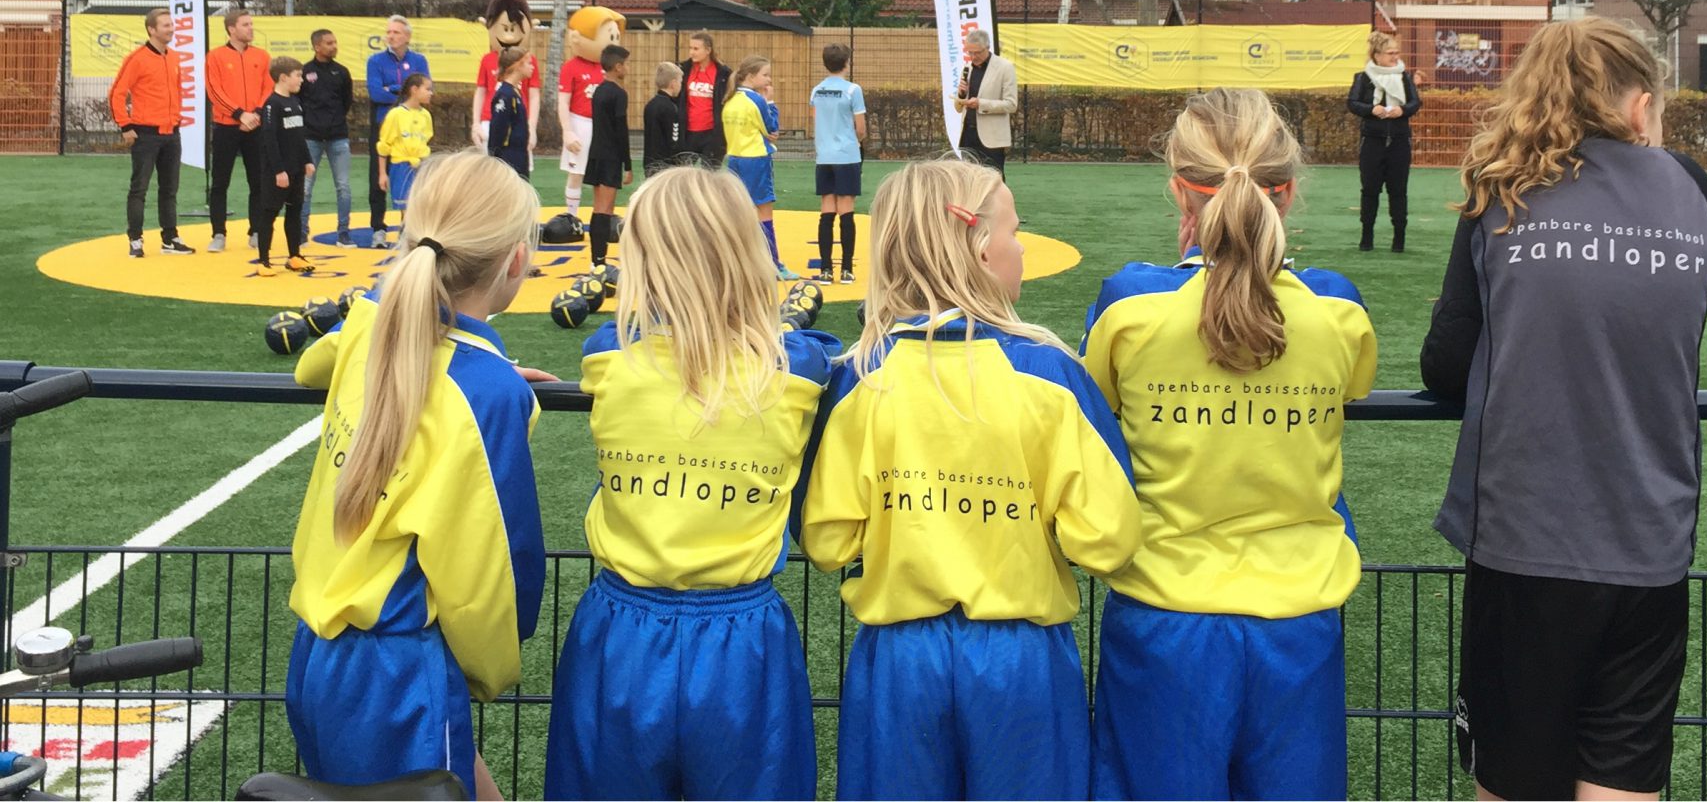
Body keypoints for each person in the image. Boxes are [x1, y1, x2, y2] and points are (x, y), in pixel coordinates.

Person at [1420, 17, 1707, 802]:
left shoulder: (1502, 185)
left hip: (1527, 537)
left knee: (1515, 786)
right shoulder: (1693, 188)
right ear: (1641, 106)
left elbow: (1446, 363)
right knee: (1622, 783)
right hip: (1651, 537)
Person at [801, 158, 1141, 800]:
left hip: (897, 661)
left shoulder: (861, 374)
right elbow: (1110, 541)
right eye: (1017, 230)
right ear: (983, 249)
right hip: (1022, 663)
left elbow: (826, 542)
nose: (1020, 244)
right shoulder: (1051, 374)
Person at [1081, 87, 1377, 800]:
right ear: (1289, 192)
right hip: (1298, 621)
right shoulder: (1337, 308)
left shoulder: (1129, 305)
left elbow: (1098, 407)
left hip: (1164, 617)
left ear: (1180, 192)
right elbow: (1353, 387)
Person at [543, 166, 839, 800]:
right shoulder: (800, 367)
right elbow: (814, 349)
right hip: (744, 639)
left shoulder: (609, 355)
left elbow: (625, 337)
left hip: (619, 629)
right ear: (745, 253)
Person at [287, 151, 544, 800]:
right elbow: (493, 578)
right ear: (515, 261)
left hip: (316, 652)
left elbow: (309, 368)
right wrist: (492, 671)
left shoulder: (375, 324)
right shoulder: (485, 394)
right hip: (399, 671)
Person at [109, 7, 195, 258]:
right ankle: (135, 239)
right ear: (152, 30)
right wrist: (125, 125)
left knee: (169, 189)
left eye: (172, 24)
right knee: (139, 188)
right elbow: (117, 93)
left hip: (172, 134)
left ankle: (170, 238)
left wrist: (177, 117)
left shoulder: (175, 57)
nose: (171, 29)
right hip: (145, 135)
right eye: (166, 25)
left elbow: (177, 92)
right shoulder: (137, 58)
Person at [1347, 31, 1421, 252]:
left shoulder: (1404, 77)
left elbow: (1416, 103)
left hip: (1399, 142)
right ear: (1376, 55)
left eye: (1397, 52)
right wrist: (1372, 109)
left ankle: (1399, 239)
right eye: (1390, 53)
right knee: (1370, 190)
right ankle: (1366, 237)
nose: (1395, 57)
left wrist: (1402, 110)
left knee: (1398, 191)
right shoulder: (1363, 78)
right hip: (1372, 141)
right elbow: (1352, 103)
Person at [722, 55, 795, 280]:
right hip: (756, 160)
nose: (769, 79)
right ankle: (773, 264)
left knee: (738, 213)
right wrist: (771, 103)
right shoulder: (757, 100)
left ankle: (736, 262)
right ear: (752, 76)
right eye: (765, 74)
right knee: (764, 212)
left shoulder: (731, 99)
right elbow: (772, 128)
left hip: (734, 159)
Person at [206, 8, 271, 253]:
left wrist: (254, 113)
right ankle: (219, 233)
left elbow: (268, 88)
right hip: (226, 126)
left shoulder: (262, 56)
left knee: (258, 181)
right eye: (246, 24)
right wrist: (238, 114)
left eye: (251, 24)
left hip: (255, 126)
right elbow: (214, 90)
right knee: (220, 182)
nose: (251, 28)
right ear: (232, 29)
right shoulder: (215, 56)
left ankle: (256, 231)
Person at [365, 15, 429, 249]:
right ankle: (378, 228)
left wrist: (390, 89)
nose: (391, 36)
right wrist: (403, 94)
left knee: (413, 181)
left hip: (412, 132)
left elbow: (423, 90)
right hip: (385, 127)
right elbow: (375, 92)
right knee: (378, 178)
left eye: (396, 32)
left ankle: (409, 229)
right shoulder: (375, 61)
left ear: (407, 36)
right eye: (388, 32)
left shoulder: (419, 60)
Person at [557, 6, 624, 219]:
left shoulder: (609, 69)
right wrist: (567, 131)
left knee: (602, 174)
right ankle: (571, 217)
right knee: (576, 173)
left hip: (602, 128)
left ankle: (602, 215)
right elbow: (563, 102)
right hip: (580, 123)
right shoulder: (571, 67)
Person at [810, 43, 867, 284]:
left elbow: (815, 119)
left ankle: (824, 270)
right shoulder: (853, 90)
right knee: (846, 211)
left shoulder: (816, 91)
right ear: (847, 63)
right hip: (847, 155)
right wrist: (855, 140)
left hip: (824, 156)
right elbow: (861, 127)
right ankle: (846, 269)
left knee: (827, 210)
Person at [252, 56, 314, 278]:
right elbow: (270, 140)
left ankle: (294, 255)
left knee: (295, 211)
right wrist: (279, 170)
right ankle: (263, 260)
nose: (302, 80)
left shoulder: (295, 102)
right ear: (283, 77)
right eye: (298, 76)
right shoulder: (272, 104)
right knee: (269, 213)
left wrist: (307, 160)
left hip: (296, 168)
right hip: (278, 171)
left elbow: (299, 136)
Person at [299, 29, 355, 247]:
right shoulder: (304, 72)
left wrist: (335, 121)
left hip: (338, 137)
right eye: (329, 43)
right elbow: (299, 102)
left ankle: (343, 233)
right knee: (305, 187)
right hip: (310, 138)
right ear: (317, 47)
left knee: (343, 186)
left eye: (335, 42)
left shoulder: (341, 72)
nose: (334, 46)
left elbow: (346, 101)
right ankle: (302, 232)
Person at [581, 45, 633, 267]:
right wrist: (627, 164)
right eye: (626, 64)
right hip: (610, 156)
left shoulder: (599, 90)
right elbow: (621, 130)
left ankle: (596, 258)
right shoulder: (618, 94)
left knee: (598, 208)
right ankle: (598, 260)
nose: (628, 68)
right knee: (605, 209)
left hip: (595, 153)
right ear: (618, 66)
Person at [471, 0, 539, 154]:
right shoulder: (487, 60)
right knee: (491, 170)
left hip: (519, 122)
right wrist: (476, 123)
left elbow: (534, 95)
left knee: (519, 173)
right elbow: (480, 91)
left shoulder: (529, 61)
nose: (509, 37)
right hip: (490, 120)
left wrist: (532, 126)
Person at [954, 29, 1017, 177]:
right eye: (970, 52)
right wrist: (961, 94)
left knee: (993, 179)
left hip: (991, 137)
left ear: (987, 48)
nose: (973, 57)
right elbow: (958, 107)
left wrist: (981, 104)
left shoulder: (1005, 67)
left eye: (977, 53)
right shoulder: (967, 68)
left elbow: (1011, 104)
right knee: (967, 179)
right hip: (968, 133)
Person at [376, 74, 434, 217]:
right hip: (402, 166)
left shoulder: (426, 115)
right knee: (407, 211)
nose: (431, 93)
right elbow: (384, 145)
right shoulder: (396, 114)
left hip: (422, 166)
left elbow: (426, 140)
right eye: (427, 89)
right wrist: (383, 173)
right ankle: (405, 237)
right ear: (414, 89)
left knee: (422, 209)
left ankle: (417, 237)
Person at [679, 31, 733, 168]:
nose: (691, 52)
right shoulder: (683, 70)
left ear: (708, 50)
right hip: (688, 133)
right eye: (690, 48)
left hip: (712, 134)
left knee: (709, 176)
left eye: (696, 49)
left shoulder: (723, 73)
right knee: (684, 175)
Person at [487, 47, 533, 181]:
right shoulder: (505, 95)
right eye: (528, 63)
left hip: (519, 154)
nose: (532, 67)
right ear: (518, 65)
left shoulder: (515, 92)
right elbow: (498, 129)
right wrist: (495, 158)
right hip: (509, 156)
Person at [642, 61, 685, 176]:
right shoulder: (671, 108)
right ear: (673, 83)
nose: (681, 85)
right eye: (680, 82)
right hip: (666, 167)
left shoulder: (650, 105)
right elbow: (674, 141)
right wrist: (679, 164)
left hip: (650, 164)